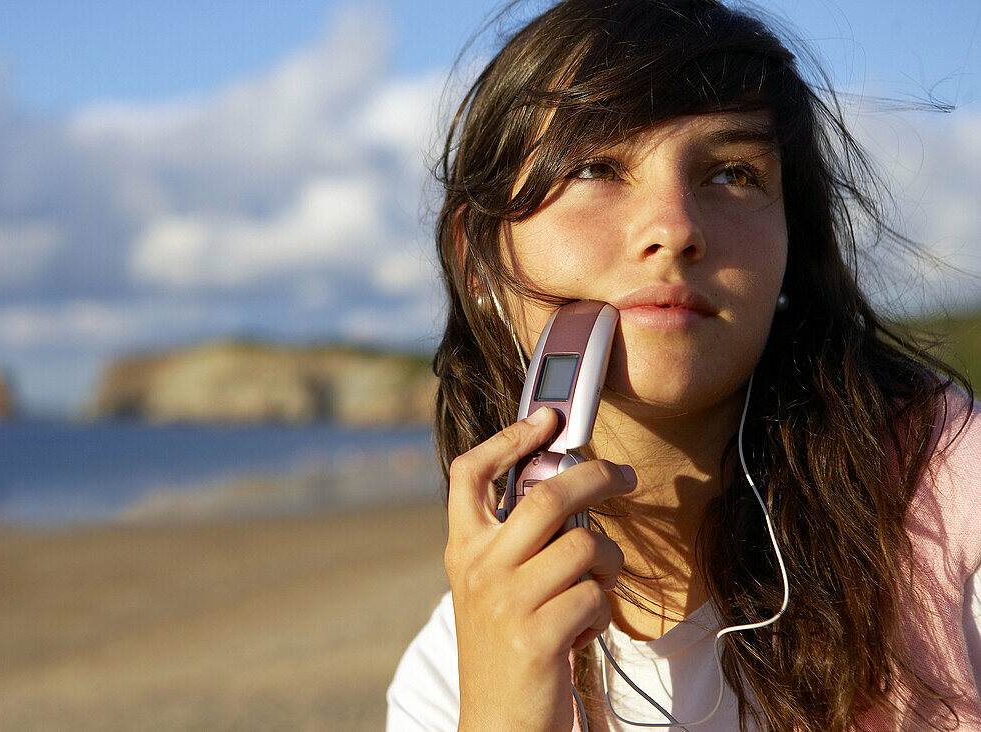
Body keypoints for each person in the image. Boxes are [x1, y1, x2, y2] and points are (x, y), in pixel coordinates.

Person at [386, 0, 980, 730]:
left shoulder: (961, 533)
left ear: (792, 243)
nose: (675, 227)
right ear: (476, 258)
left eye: (732, 173)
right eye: (596, 166)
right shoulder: (451, 670)